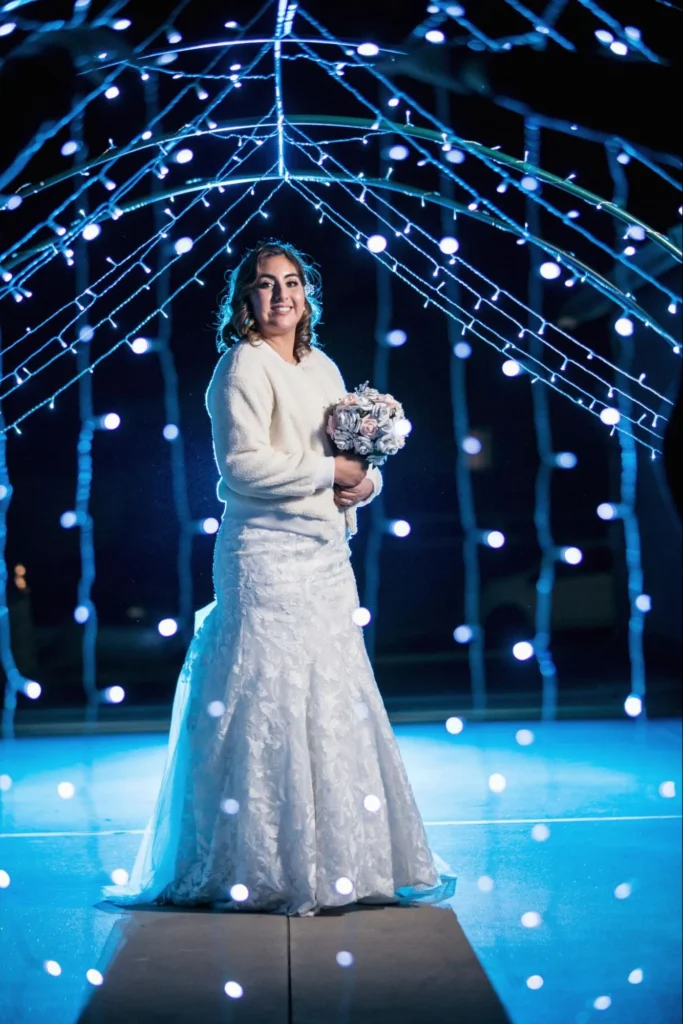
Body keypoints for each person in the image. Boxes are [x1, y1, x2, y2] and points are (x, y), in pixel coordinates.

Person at [103, 241, 456, 917]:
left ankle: (347, 860)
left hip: (325, 555)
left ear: (306, 295)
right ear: (245, 301)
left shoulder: (323, 366)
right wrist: (330, 476)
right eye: (265, 285)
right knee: (264, 697)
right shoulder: (239, 366)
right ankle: (257, 862)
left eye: (291, 282)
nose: (280, 295)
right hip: (263, 558)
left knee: (332, 695)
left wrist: (367, 481)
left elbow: (350, 459)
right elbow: (242, 470)